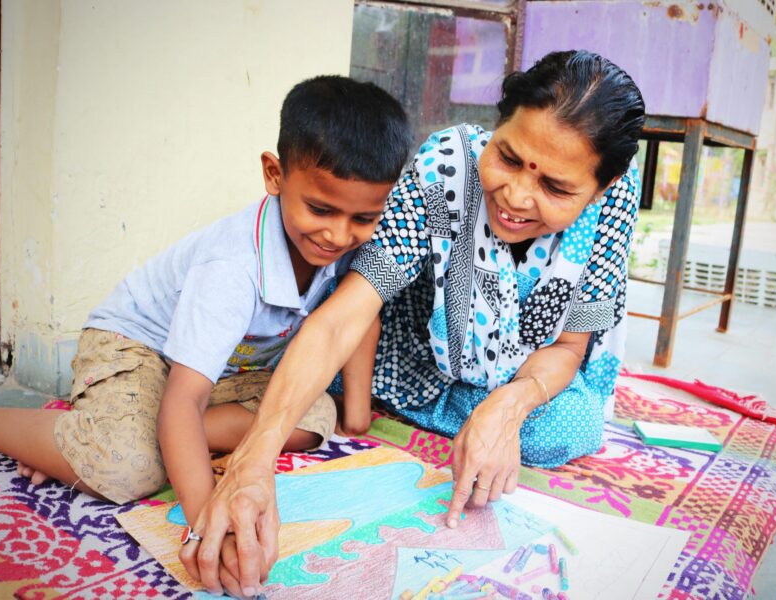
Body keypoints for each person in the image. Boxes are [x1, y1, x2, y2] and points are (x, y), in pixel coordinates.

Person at [178, 49, 645, 597]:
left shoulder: (614, 205)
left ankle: (479, 416)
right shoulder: (445, 165)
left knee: (571, 426)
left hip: (529, 373)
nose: (517, 197)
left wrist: (508, 406)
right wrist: (255, 461)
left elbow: (570, 346)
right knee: (314, 382)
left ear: (603, 185)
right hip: (417, 361)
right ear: (495, 127)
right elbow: (345, 315)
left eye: (556, 189)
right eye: (509, 158)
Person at [0, 74, 412, 596]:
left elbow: (359, 315)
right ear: (274, 175)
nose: (340, 235)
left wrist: (358, 416)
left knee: (316, 417)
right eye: (320, 209)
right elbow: (184, 396)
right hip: (138, 348)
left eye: (363, 217)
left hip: (228, 369)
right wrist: (210, 522)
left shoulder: (354, 243)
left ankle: (132, 434)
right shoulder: (232, 266)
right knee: (126, 467)